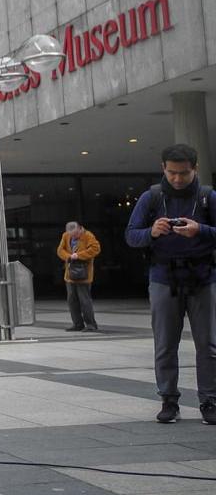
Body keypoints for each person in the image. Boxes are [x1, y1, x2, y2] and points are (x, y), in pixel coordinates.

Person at [125, 143, 216, 425]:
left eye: (184, 173)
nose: (177, 179)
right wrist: (151, 232)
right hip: (163, 277)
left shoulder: (207, 197)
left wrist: (199, 229)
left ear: (195, 169)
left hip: (203, 277)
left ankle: (209, 401)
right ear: (163, 168)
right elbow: (130, 235)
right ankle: (169, 400)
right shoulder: (151, 197)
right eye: (172, 173)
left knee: (209, 345)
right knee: (165, 344)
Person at [56, 222, 100, 332]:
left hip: (84, 274)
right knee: (72, 300)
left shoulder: (88, 236)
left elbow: (96, 249)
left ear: (80, 229)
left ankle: (91, 324)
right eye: (71, 235)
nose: (73, 237)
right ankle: (77, 323)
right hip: (70, 275)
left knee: (84, 300)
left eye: (75, 234)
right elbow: (60, 250)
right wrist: (69, 256)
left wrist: (79, 255)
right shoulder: (66, 236)